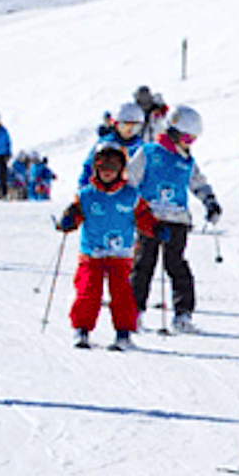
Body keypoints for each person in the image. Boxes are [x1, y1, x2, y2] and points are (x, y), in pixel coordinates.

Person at [126, 104, 222, 333]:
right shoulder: (149, 153)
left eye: (193, 141)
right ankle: (134, 312)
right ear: (174, 132)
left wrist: (210, 201)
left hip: (177, 220)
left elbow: (198, 182)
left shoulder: (187, 161)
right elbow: (131, 178)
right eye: (188, 139)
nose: (189, 145)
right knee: (143, 265)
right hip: (150, 218)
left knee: (176, 265)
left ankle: (183, 315)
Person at [55, 143, 155, 350]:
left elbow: (144, 217)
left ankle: (124, 333)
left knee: (122, 295)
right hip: (92, 253)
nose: (107, 171)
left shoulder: (131, 195)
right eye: (102, 167)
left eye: (113, 166)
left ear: (121, 169)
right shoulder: (86, 195)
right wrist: (67, 221)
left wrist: (156, 228)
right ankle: (81, 329)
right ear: (95, 168)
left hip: (121, 255)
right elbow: (74, 213)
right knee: (87, 291)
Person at [78, 102, 145, 187]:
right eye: (124, 127)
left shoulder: (141, 146)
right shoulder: (106, 144)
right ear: (116, 125)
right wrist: (83, 187)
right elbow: (89, 166)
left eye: (134, 128)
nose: (129, 132)